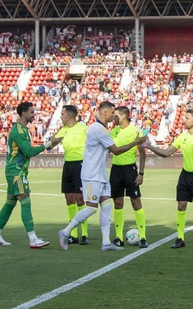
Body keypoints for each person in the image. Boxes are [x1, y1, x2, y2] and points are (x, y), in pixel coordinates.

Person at [59, 101, 146, 251]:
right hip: (92, 175)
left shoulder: (103, 129)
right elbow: (116, 150)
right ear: (105, 113)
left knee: (106, 205)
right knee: (92, 208)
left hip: (101, 175)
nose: (114, 115)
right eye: (113, 112)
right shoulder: (97, 129)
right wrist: (136, 142)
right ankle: (66, 231)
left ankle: (106, 243)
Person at [146, 107, 193, 249]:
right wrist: (149, 146)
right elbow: (166, 153)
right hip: (185, 175)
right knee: (181, 206)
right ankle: (180, 238)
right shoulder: (182, 137)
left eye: (187, 118)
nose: (184, 121)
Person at [0, 101, 50, 248]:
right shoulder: (18, 130)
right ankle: (33, 238)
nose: (33, 114)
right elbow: (29, 152)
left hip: (17, 170)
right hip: (16, 171)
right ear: (23, 113)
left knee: (10, 202)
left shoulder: (23, 129)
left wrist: (51, 143)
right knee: (25, 199)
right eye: (31, 112)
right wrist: (49, 144)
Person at [109, 105, 149, 247]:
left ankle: (143, 237)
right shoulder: (113, 132)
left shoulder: (136, 131)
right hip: (116, 170)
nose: (113, 118)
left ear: (124, 116)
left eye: (116, 115)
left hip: (130, 170)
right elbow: (113, 150)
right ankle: (119, 238)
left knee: (136, 202)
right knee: (118, 203)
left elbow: (143, 154)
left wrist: (141, 173)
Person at [52, 104, 91, 246]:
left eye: (62, 114)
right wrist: (54, 137)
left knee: (80, 199)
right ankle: (73, 234)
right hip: (67, 165)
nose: (61, 116)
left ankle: (85, 234)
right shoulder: (63, 130)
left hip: (80, 165)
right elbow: (51, 144)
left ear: (69, 115)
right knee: (69, 198)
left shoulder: (84, 128)